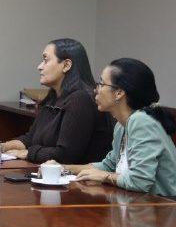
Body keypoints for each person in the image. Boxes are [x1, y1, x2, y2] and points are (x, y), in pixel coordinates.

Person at [0, 38, 112, 163]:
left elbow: (66, 155)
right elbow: (30, 139)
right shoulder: (53, 97)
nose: (39, 66)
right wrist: (1, 146)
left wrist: (28, 153)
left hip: (78, 177)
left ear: (66, 65)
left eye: (45, 60)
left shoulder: (81, 99)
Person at [62, 58, 176, 196]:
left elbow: (139, 182)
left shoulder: (141, 121)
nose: (95, 90)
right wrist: (63, 168)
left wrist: (104, 177)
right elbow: (108, 165)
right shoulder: (121, 126)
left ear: (119, 93)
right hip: (135, 203)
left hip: (162, 205)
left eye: (101, 84)